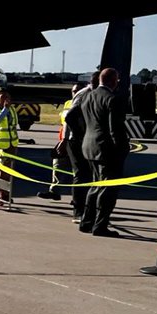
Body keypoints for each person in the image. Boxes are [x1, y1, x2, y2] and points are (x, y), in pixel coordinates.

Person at [77, 67, 130, 237]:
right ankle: (100, 225)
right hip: (106, 149)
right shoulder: (112, 99)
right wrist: (122, 149)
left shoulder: (87, 96)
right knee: (108, 188)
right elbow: (116, 129)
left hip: (89, 145)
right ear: (114, 81)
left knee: (95, 185)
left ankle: (86, 221)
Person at [62, 73, 100, 222]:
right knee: (81, 174)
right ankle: (78, 211)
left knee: (91, 175)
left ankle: (89, 210)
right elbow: (69, 117)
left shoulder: (97, 94)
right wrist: (77, 134)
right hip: (77, 141)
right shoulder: (84, 94)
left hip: (89, 140)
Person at [39, 83, 83, 201]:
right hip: (64, 140)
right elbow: (65, 122)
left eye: (77, 91)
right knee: (57, 164)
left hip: (77, 141)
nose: (75, 93)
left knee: (77, 170)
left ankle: (77, 198)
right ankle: (54, 191)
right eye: (73, 91)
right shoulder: (68, 103)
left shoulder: (84, 103)